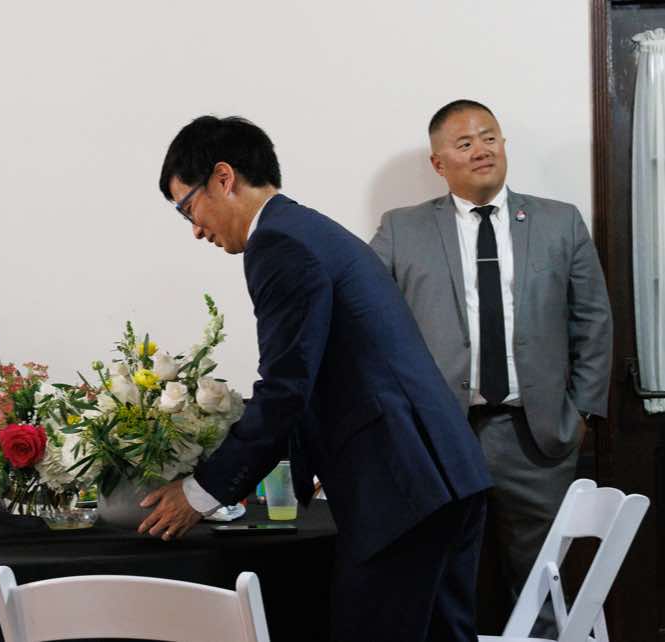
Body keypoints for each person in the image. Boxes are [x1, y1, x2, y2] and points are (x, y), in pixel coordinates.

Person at [139, 115, 491, 641]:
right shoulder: (306, 229)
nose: (194, 228)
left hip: (401, 487)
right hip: (443, 473)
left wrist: (201, 491)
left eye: (187, 208)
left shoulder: (278, 245)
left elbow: (285, 388)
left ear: (223, 178)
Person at [370, 100, 613, 635]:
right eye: (464, 143)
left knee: (543, 580)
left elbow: (593, 320)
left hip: (536, 436)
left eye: (489, 137)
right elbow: (368, 324)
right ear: (438, 163)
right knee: (438, 576)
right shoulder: (401, 229)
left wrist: (582, 412)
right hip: (440, 436)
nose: (481, 150)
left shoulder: (559, 221)